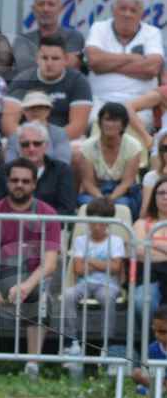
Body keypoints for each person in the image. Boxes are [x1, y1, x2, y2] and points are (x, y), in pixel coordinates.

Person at [0, 157, 61, 380]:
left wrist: (27, 285)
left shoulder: (48, 214)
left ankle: (32, 366)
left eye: (25, 181)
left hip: (32, 277)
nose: (20, 185)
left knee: (41, 300)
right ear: (7, 183)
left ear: (34, 184)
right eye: (15, 180)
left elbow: (50, 263)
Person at [85, 0, 165, 132]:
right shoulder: (99, 28)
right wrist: (133, 58)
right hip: (100, 100)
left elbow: (152, 68)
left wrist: (106, 65)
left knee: (138, 124)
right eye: (123, 8)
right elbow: (94, 61)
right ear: (113, 10)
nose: (127, 14)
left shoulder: (152, 33)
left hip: (139, 104)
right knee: (92, 121)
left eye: (133, 10)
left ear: (141, 14)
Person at [61, 196, 126, 349]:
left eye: (101, 222)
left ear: (109, 222)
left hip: (108, 285)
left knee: (107, 298)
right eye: (92, 221)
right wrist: (105, 264)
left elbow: (116, 268)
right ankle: (71, 340)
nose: (96, 226)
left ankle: (107, 341)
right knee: (68, 295)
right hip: (84, 283)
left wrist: (89, 260)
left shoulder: (116, 241)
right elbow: (78, 269)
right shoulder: (80, 240)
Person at [2, 33, 92, 141]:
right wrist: (32, 142)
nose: (49, 63)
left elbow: (78, 127)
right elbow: (8, 124)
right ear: (37, 58)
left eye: (55, 58)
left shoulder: (78, 81)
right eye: (44, 58)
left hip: (65, 140)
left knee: (78, 151)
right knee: (5, 146)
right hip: (26, 140)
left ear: (66, 59)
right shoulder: (22, 79)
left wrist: (47, 143)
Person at [0, 121, 76, 215]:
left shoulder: (62, 171)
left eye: (37, 143)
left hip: (49, 227)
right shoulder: (3, 172)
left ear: (46, 146)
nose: (31, 149)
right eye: (25, 144)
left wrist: (39, 226)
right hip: (12, 227)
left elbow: (66, 209)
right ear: (19, 147)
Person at [76, 102, 143, 218]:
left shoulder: (133, 146)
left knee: (123, 204)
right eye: (107, 119)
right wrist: (101, 199)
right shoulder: (87, 146)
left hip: (123, 192)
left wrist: (110, 200)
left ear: (123, 125)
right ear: (100, 122)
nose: (110, 124)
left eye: (115, 120)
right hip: (96, 191)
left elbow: (127, 182)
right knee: (85, 202)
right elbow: (87, 182)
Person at [11, 0, 85, 74]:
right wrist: (57, 61)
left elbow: (71, 66)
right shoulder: (23, 40)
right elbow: (24, 69)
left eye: (51, 4)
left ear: (60, 8)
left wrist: (37, 63)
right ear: (34, 9)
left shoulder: (73, 37)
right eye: (41, 4)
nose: (46, 9)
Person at [1, 90, 72, 166]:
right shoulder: (15, 136)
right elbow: (10, 165)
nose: (35, 111)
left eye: (40, 107)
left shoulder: (59, 134)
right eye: (31, 107)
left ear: (48, 110)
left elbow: (63, 162)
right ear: (24, 111)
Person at [133, 177, 167, 318]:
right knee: (142, 301)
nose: (166, 197)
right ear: (154, 196)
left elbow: (146, 248)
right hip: (149, 277)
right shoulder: (141, 224)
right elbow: (139, 252)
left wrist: (154, 243)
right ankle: (154, 339)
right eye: (161, 193)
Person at [130, 306, 167, 393]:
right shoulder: (152, 348)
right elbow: (147, 371)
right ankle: (161, 391)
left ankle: (158, 391)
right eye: (155, 331)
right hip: (158, 380)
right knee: (136, 373)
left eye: (163, 331)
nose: (157, 335)